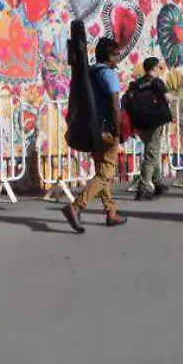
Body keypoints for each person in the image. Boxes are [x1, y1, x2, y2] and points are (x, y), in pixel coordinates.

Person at [62, 37, 128, 232]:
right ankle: (76, 206)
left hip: (92, 128)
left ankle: (111, 212)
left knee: (102, 173)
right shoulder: (108, 74)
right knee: (106, 172)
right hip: (107, 129)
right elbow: (115, 105)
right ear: (109, 56)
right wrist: (117, 132)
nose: (118, 58)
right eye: (116, 55)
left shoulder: (89, 73)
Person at [126, 57, 173, 201]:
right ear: (154, 67)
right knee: (150, 155)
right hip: (155, 122)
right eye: (159, 67)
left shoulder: (137, 84)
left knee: (152, 150)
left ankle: (158, 183)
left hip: (140, 123)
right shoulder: (157, 82)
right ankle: (143, 188)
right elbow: (168, 98)